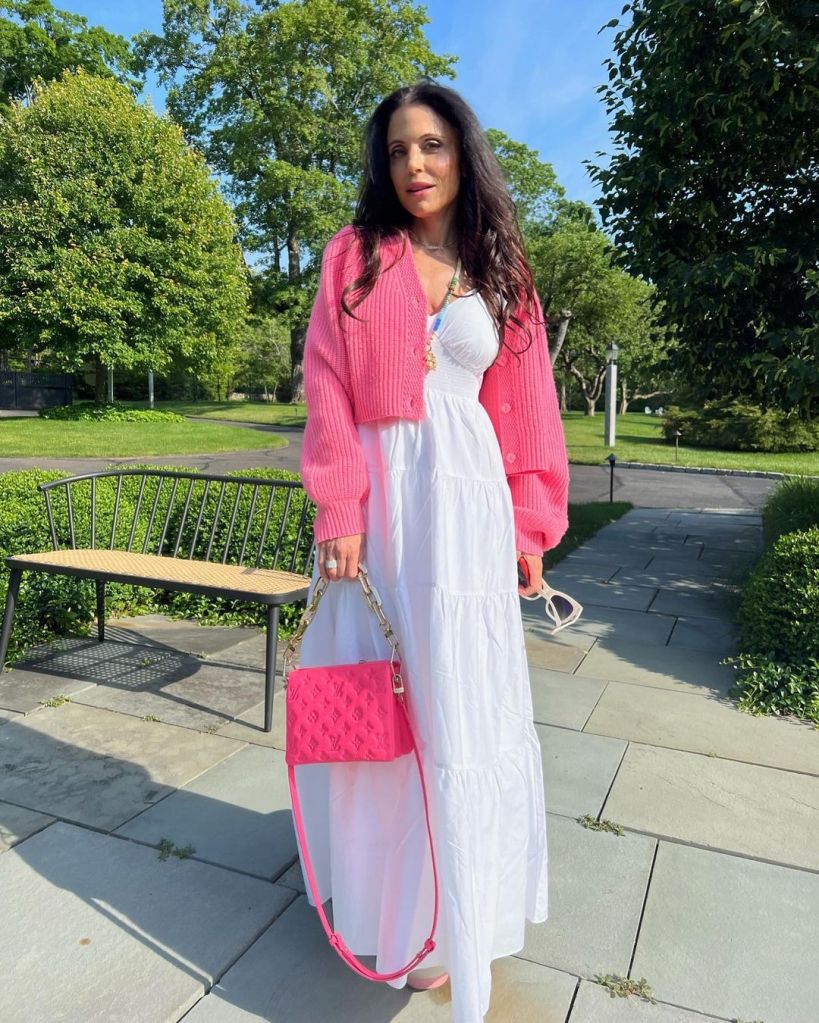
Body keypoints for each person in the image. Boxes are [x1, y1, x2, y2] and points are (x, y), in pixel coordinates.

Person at [294, 78, 569, 1023]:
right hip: (384, 503)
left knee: (464, 708)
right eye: (399, 149)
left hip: (468, 505)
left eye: (433, 146)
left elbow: (528, 410)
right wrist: (339, 508)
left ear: (462, 153)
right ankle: (393, 907)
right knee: (383, 704)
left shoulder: (502, 267)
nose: (415, 164)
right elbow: (326, 386)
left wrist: (530, 530)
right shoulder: (354, 257)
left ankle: (463, 911)